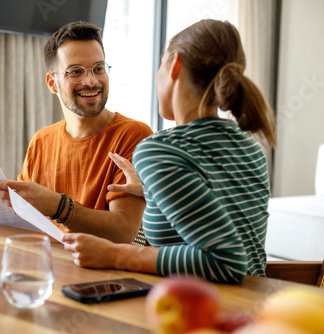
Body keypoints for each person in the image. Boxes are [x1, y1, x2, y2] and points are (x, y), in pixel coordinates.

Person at [62, 19, 277, 284]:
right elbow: (222, 206)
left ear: (175, 65)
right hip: (257, 315)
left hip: (204, 313)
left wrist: (115, 254)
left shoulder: (159, 152)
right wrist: (154, 189)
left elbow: (227, 263)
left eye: (161, 64)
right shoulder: (249, 145)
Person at [0, 21, 153, 244]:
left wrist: (57, 205)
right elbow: (26, 218)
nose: (91, 81)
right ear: (53, 83)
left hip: (100, 277)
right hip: (46, 268)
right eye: (76, 72)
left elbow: (124, 232)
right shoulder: (42, 140)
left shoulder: (133, 134)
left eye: (98, 68)